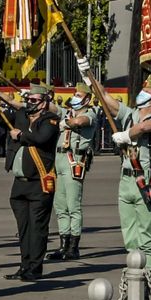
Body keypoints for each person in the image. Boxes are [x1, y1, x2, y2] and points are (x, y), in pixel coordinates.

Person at [86, 61, 151, 282]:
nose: (142, 93)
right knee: (130, 238)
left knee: (147, 238)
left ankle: (148, 284)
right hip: (126, 182)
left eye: (148, 91)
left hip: (146, 182)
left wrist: (127, 135)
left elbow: (146, 127)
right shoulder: (132, 114)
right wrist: (89, 77)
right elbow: (106, 98)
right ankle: (135, 281)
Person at [3, 80, 60, 282]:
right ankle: (24, 264)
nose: (30, 102)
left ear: (44, 102)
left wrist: (21, 135)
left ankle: (35, 268)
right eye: (28, 99)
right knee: (24, 229)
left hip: (39, 182)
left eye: (34, 99)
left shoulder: (50, 120)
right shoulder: (21, 116)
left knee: (37, 228)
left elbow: (41, 138)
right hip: (20, 182)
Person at [48, 84, 98, 262]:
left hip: (74, 161)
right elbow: (52, 108)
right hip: (59, 161)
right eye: (74, 94)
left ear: (86, 99)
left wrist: (66, 123)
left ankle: (73, 247)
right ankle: (63, 244)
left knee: (73, 206)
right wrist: (40, 99)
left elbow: (79, 122)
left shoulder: (90, 113)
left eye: (78, 95)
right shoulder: (67, 112)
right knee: (60, 206)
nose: (74, 97)